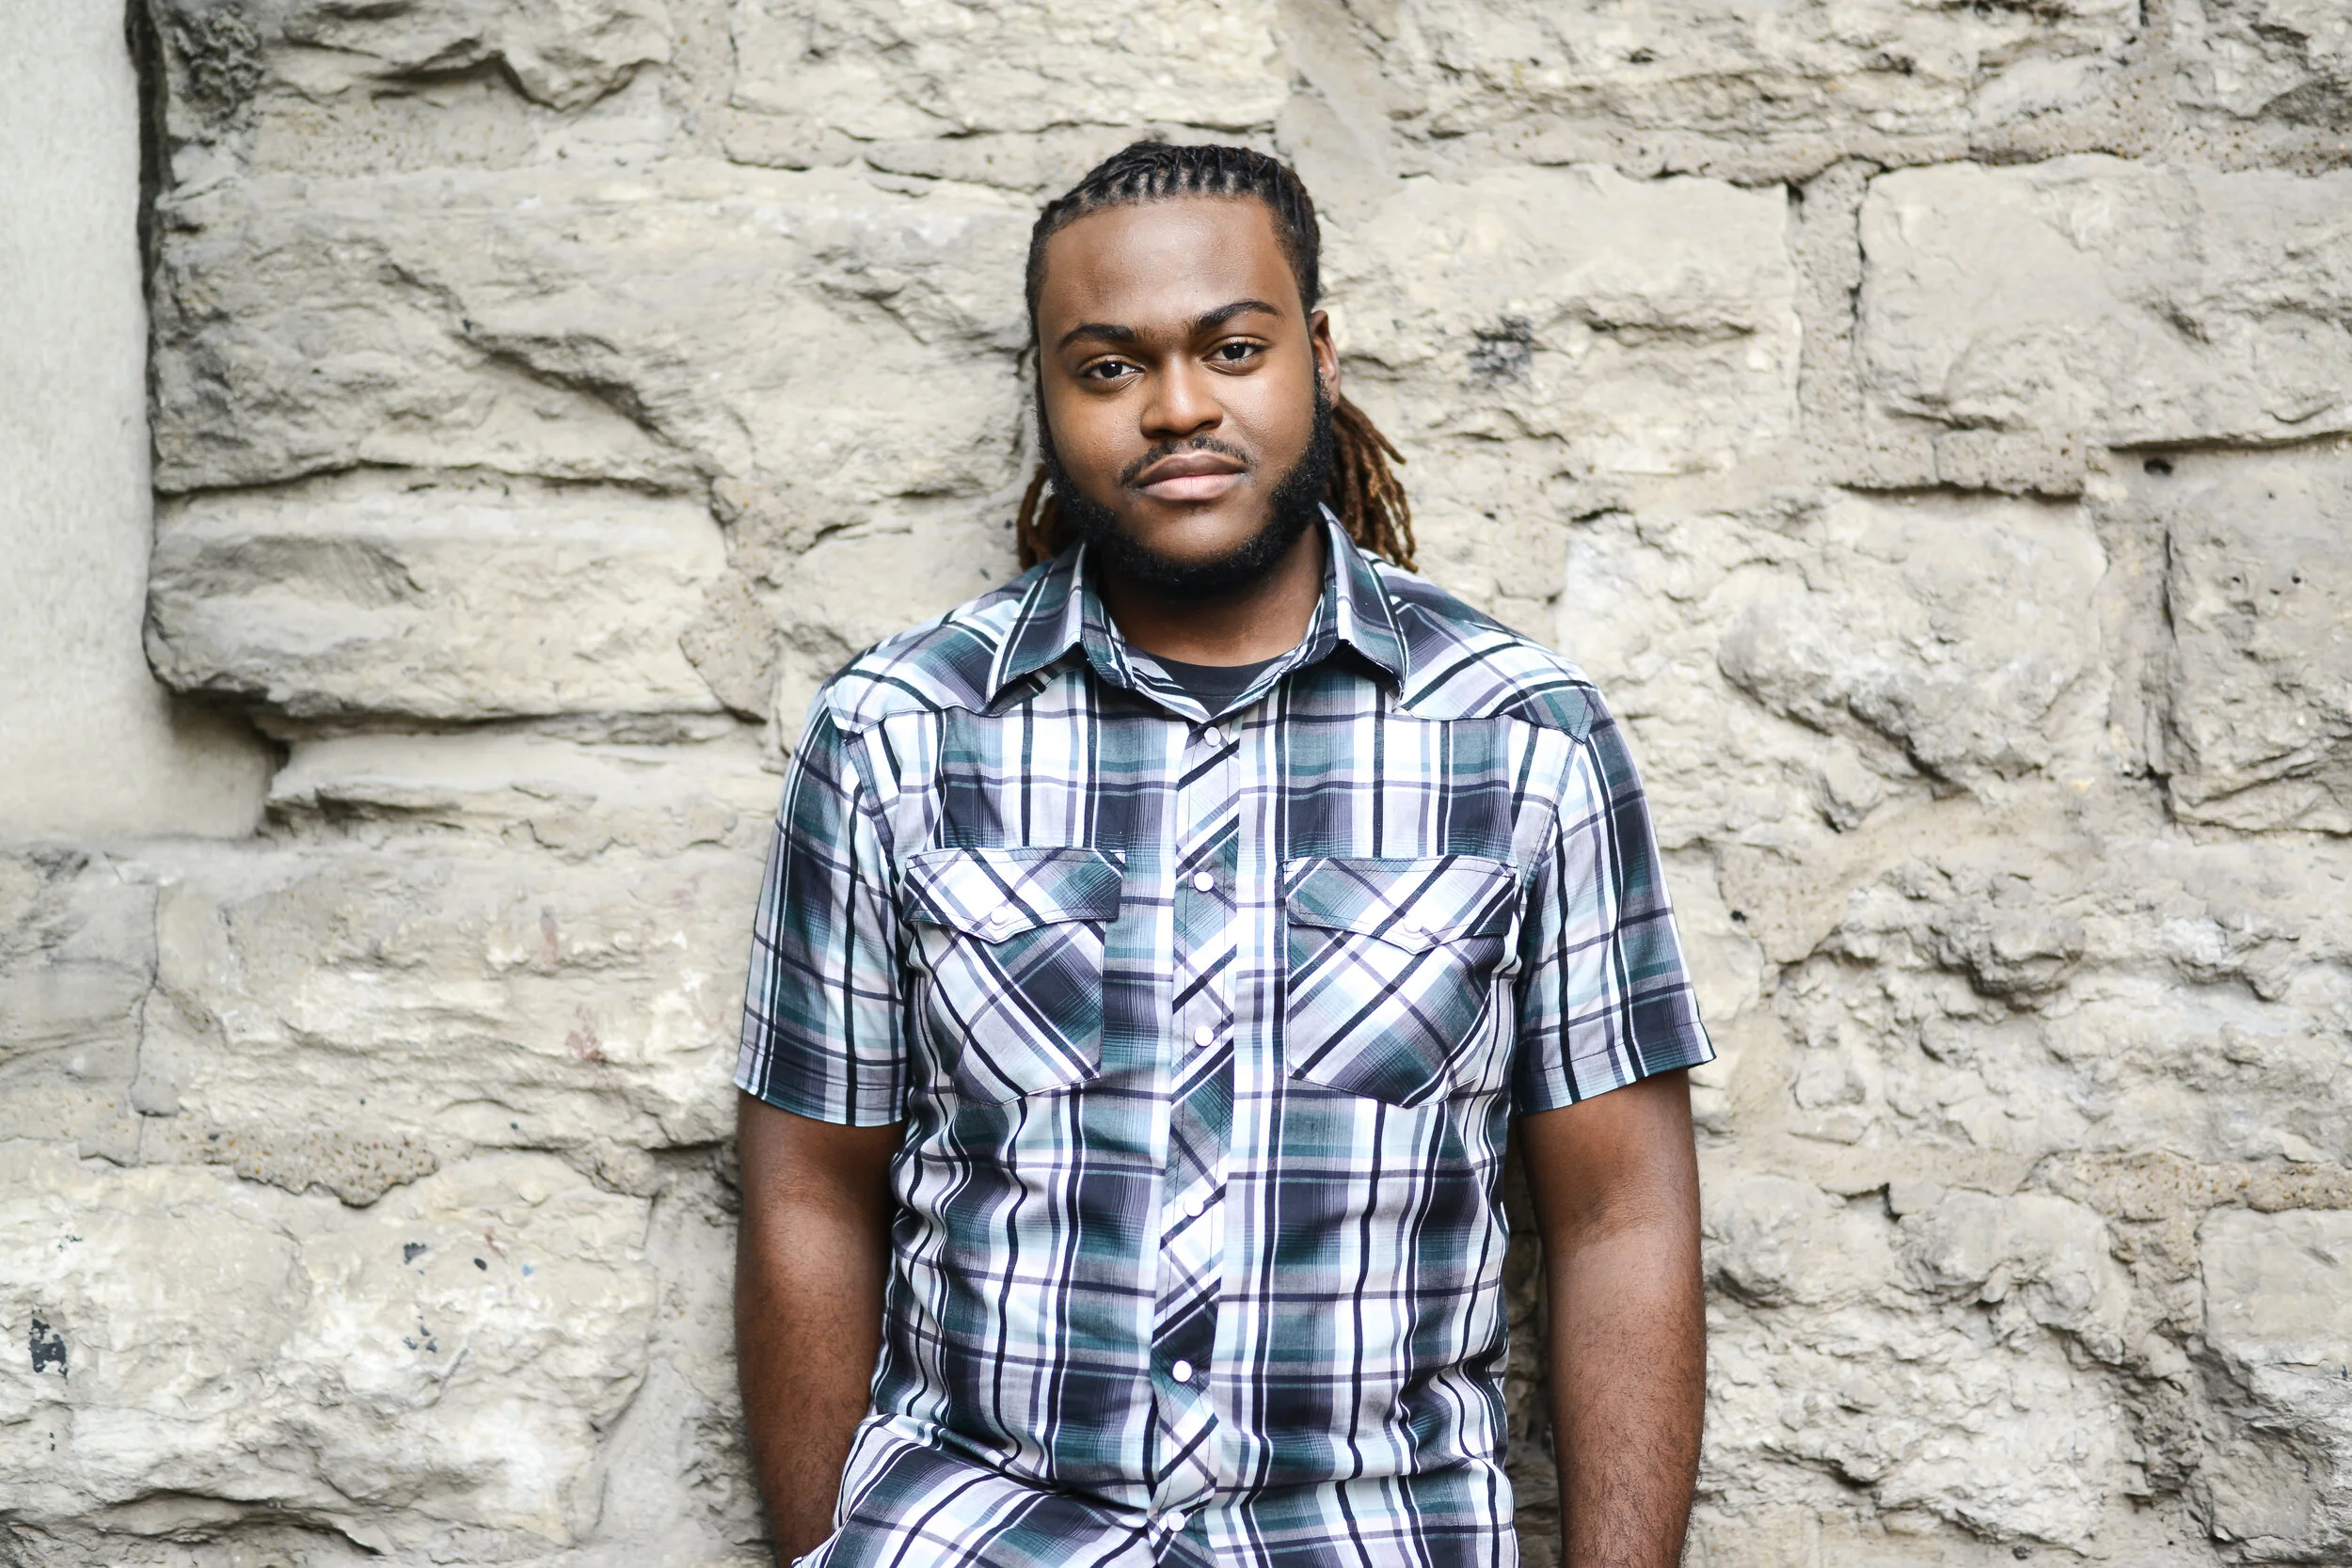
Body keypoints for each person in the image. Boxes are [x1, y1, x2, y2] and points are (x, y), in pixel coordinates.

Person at [732, 141, 1713, 1568]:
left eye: (1232, 348)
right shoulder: (892, 736)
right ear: (1050, 396)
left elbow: (1621, 1215)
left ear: (1316, 353)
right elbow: (808, 1190)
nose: (1179, 405)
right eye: (1109, 366)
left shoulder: (1521, 740)